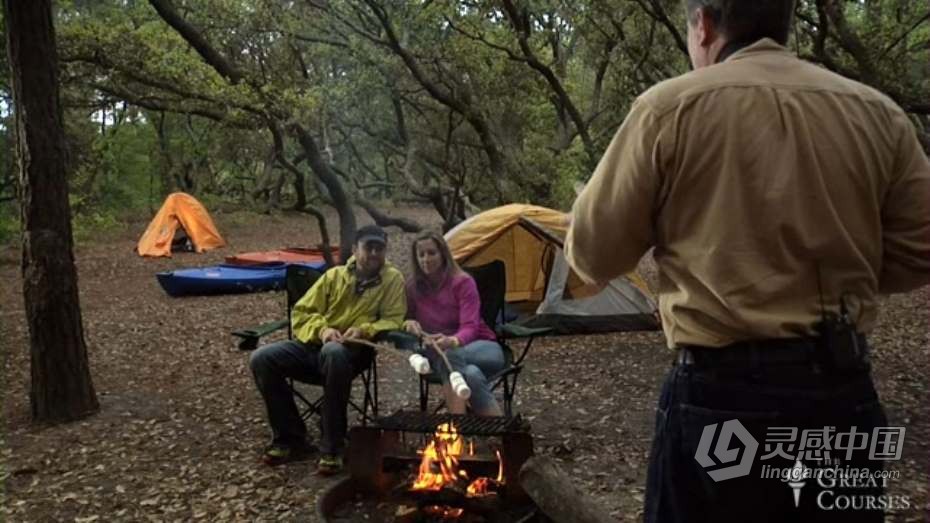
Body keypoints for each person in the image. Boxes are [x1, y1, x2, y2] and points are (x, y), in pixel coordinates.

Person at [565, 1, 930, 522]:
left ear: (705, 25)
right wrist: (852, 269)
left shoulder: (668, 109)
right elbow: (921, 250)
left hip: (721, 398)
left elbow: (593, 254)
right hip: (838, 393)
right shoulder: (876, 111)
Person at [249, 224, 406, 474]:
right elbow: (302, 311)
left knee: (334, 354)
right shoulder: (334, 276)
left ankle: (333, 445)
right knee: (262, 358)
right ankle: (290, 437)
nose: (374, 253)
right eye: (369, 247)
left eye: (380, 248)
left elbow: (394, 318)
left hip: (355, 353)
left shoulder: (392, 279)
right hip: (314, 346)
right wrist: (322, 331)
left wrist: (364, 329)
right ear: (355, 249)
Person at [402, 231, 505, 416]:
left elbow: (470, 327)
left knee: (450, 355)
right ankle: (501, 432)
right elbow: (406, 318)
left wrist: (452, 340)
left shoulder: (462, 282)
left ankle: (456, 426)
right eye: (421, 254)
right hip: (438, 354)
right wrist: (408, 323)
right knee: (471, 375)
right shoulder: (412, 288)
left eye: (432, 253)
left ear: (443, 254)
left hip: (482, 347)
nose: (426, 259)